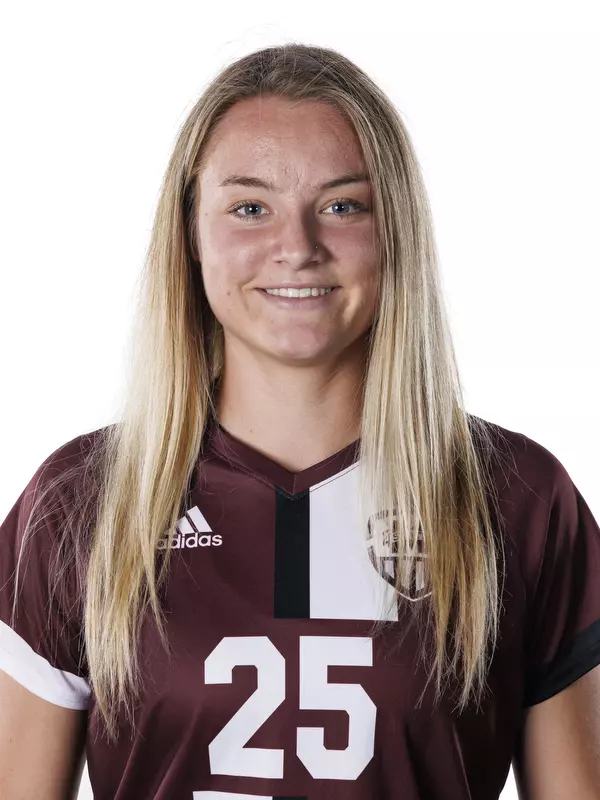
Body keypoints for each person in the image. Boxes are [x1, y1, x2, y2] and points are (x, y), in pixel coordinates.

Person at [0, 43, 599, 800]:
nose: (297, 248)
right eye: (250, 209)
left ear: (396, 230)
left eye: (343, 206)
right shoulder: (82, 501)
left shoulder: (517, 499)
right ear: (190, 234)